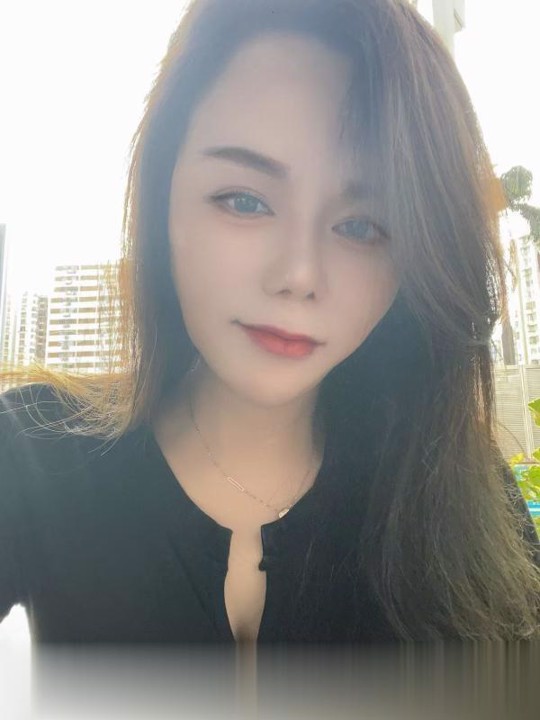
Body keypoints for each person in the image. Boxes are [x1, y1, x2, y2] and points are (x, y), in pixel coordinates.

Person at [1, 0, 539, 648]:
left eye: (362, 226)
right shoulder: (29, 454)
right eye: (245, 200)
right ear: (163, 196)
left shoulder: (460, 497)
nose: (299, 275)